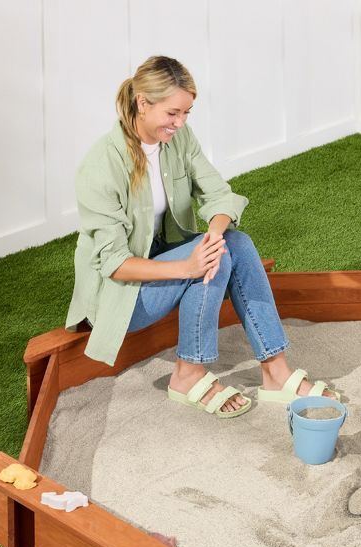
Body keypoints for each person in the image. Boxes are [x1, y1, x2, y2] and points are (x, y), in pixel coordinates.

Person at [66, 55, 336, 418]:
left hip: (165, 262)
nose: (179, 123)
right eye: (172, 113)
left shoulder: (178, 139)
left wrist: (212, 233)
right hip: (119, 298)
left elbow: (219, 194)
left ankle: (275, 371)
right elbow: (115, 265)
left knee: (234, 242)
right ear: (142, 103)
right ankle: (188, 373)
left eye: (187, 113)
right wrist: (188, 265)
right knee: (217, 255)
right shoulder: (101, 166)